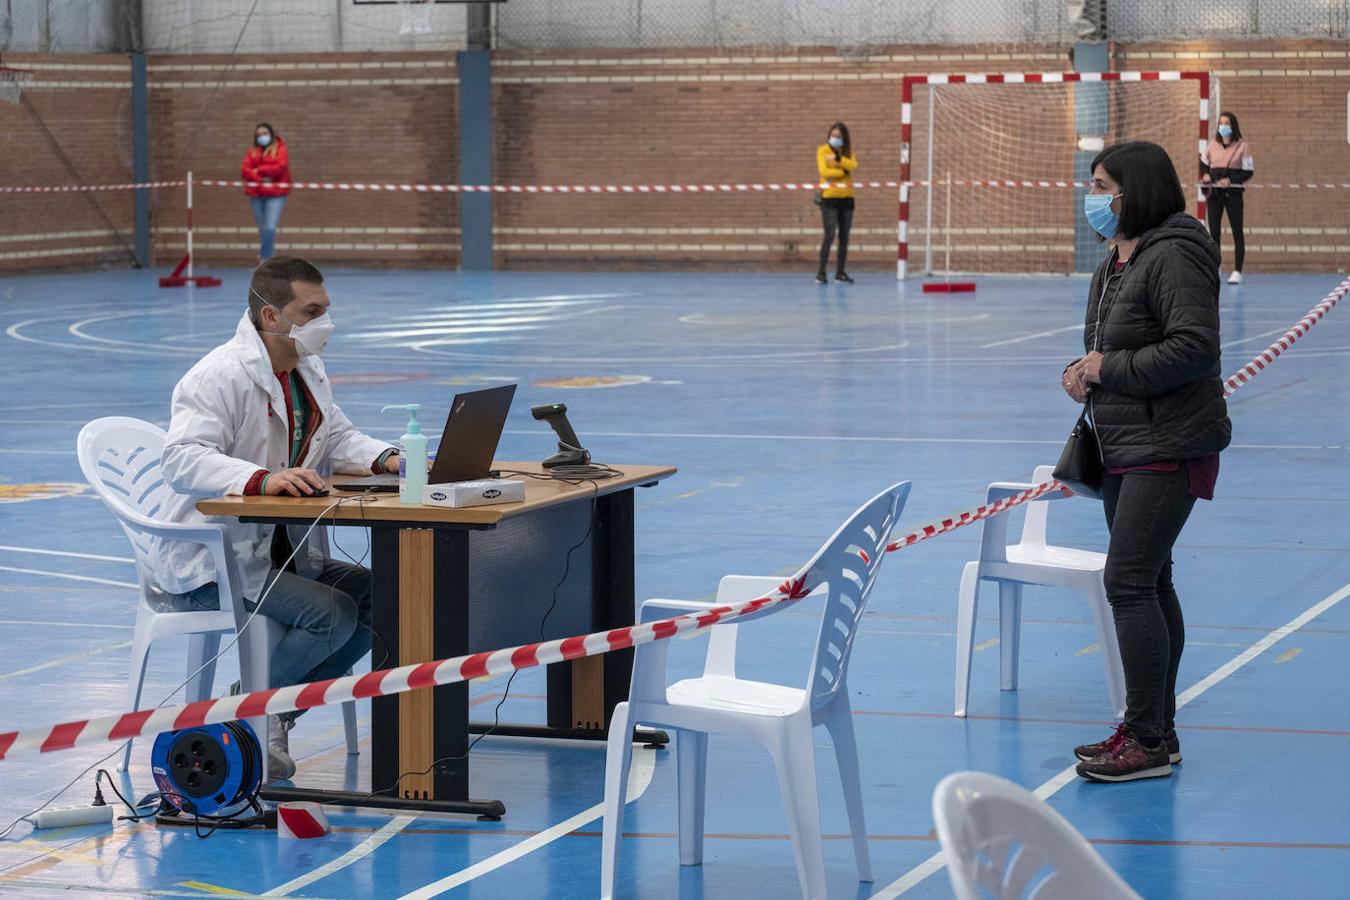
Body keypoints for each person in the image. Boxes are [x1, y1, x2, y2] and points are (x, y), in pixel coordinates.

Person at [151, 256, 400, 779]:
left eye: (325, 310)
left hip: (280, 554)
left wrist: (390, 458)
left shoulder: (305, 369)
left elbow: (336, 436)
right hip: (211, 563)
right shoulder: (217, 376)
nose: (324, 323)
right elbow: (181, 457)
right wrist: (260, 478)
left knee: (386, 600)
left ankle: (262, 714)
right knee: (331, 613)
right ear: (271, 316)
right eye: (311, 312)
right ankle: (246, 718)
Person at [1062, 141, 1231, 783]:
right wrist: (1084, 372)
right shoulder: (1118, 259)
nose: (1093, 197)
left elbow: (1193, 347)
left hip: (1171, 443)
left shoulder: (1177, 253)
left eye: (1102, 185)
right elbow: (1106, 346)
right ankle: (1155, 730)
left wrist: (1111, 368)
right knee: (1151, 581)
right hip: (1124, 442)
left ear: (1136, 190)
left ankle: (1149, 740)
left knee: (1127, 583)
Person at [1201, 111, 1253, 284]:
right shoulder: (1211, 145)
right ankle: (1214, 268)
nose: (1223, 126)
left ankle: (1237, 271)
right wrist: (1205, 176)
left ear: (1233, 126)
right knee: (1213, 232)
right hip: (1214, 194)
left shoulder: (1242, 146)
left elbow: (1248, 171)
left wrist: (1231, 180)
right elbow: (1203, 165)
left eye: (1227, 123)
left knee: (1237, 231)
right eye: (1221, 123)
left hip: (1233, 194)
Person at [241, 123, 292, 262]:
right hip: (257, 194)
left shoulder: (281, 148)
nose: (261, 137)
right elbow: (245, 169)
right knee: (263, 229)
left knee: (270, 227)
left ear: (271, 134)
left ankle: (265, 257)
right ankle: (269, 257)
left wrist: (259, 170)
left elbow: (280, 167)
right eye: (258, 135)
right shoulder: (252, 151)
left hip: (276, 194)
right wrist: (258, 176)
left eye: (264, 133)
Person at [815, 121, 857, 284]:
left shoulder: (848, 152)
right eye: (832, 135)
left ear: (844, 138)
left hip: (847, 197)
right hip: (830, 197)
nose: (835, 138)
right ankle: (821, 273)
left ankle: (840, 272)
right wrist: (842, 171)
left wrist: (838, 159)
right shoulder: (822, 150)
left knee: (844, 236)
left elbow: (853, 165)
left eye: (838, 136)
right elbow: (824, 171)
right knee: (829, 235)